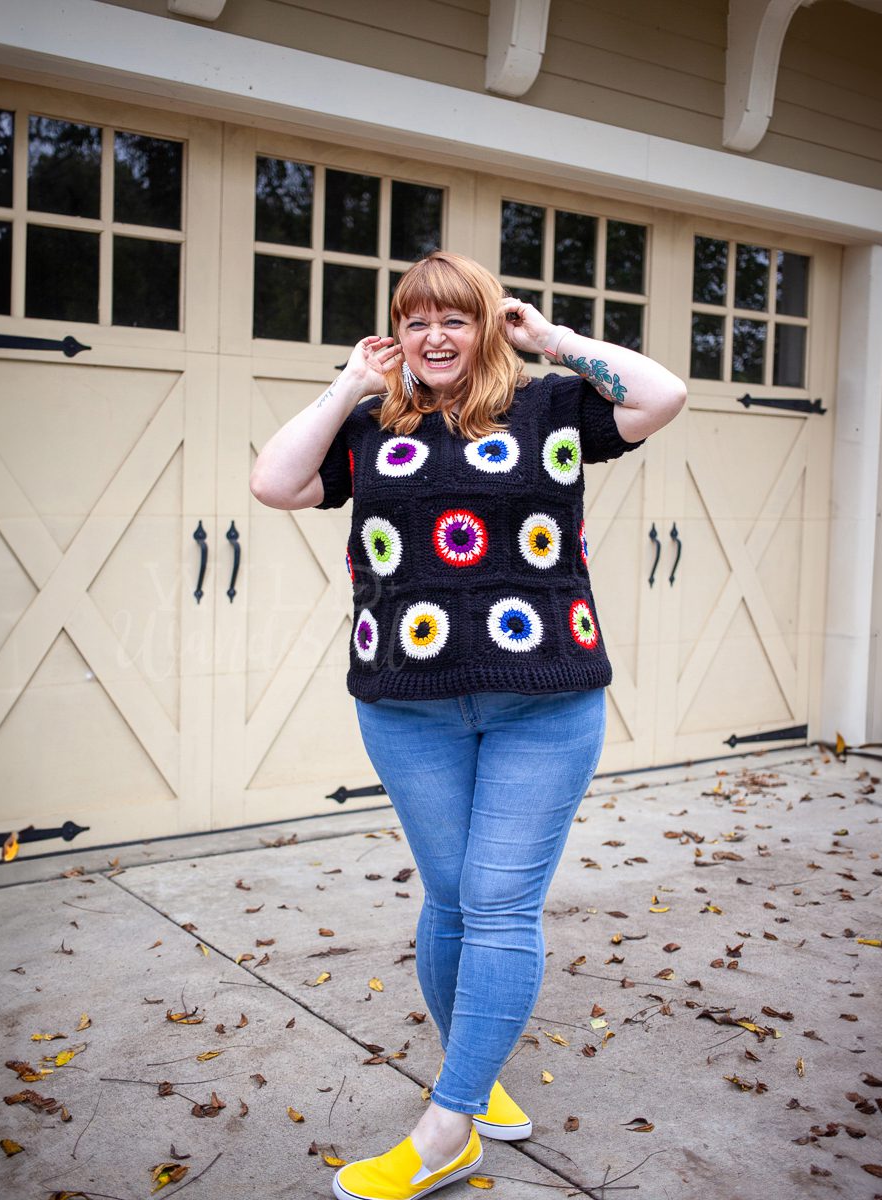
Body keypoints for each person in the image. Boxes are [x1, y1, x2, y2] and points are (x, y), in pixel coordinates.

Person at [250, 251, 686, 1200]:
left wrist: (555, 340)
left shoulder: (553, 409)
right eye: (416, 321)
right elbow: (275, 485)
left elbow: (664, 393)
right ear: (395, 335)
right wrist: (346, 386)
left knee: (496, 904)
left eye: (457, 318)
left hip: (547, 699)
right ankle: (476, 1083)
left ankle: (447, 1125)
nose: (435, 337)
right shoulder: (370, 429)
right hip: (408, 706)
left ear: (490, 326)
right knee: (449, 899)